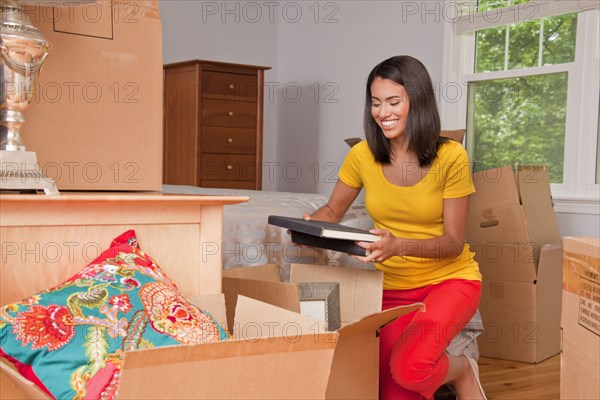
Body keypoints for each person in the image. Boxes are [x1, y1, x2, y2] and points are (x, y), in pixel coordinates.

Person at [304, 55, 486, 400]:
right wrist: (309, 228)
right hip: (391, 290)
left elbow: (452, 243)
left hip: (449, 282)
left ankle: (462, 370)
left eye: (393, 101)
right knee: (391, 389)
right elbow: (332, 210)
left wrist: (399, 245)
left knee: (409, 369)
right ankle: (445, 372)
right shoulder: (362, 155)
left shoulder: (451, 157)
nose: (382, 112)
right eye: (375, 103)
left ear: (416, 101)